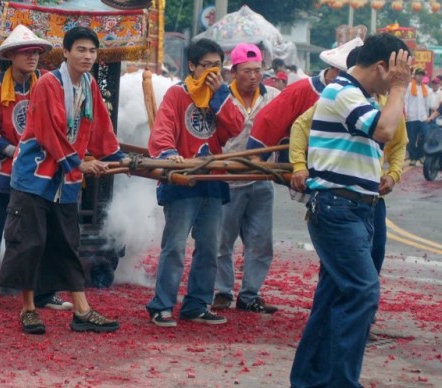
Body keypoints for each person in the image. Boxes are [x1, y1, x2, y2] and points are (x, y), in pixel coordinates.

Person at [289, 33, 412, 388]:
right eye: (397, 71)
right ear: (380, 68)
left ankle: (309, 380)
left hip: (355, 209)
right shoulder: (342, 92)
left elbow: (390, 137)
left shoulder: (361, 96)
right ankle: (341, 382)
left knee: (334, 297)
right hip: (338, 207)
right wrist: (401, 88)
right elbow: (386, 130)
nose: (399, 79)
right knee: (362, 290)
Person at [0, 26, 123, 335]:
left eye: (92, 51)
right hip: (34, 175)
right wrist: (79, 162)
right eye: (80, 49)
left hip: (65, 179)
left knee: (68, 243)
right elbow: (47, 130)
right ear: (65, 53)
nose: (87, 56)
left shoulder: (89, 85)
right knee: (31, 242)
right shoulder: (49, 84)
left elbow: (100, 126)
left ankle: (82, 311)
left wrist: (116, 158)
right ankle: (28, 310)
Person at [0, 25, 71, 311]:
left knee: (39, 236)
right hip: (1, 171)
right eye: (27, 52)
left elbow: (57, 123)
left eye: (37, 52)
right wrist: (14, 150)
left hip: (37, 173)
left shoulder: (48, 84)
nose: (33, 57)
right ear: (11, 56)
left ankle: (44, 293)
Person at [145, 38, 244, 328]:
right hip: (182, 180)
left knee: (210, 247)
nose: (213, 72)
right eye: (207, 66)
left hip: (211, 180)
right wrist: (170, 155)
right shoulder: (177, 94)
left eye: (218, 66)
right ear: (192, 66)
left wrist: (220, 94)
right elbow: (162, 132)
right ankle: (161, 305)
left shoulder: (221, 95)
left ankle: (197, 304)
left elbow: (235, 126)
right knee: (174, 246)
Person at [212, 44, 280, 315]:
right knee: (221, 241)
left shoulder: (274, 96)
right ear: (233, 72)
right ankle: (222, 292)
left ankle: (250, 294)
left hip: (262, 180)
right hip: (228, 180)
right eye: (247, 71)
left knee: (261, 242)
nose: (254, 76)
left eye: (258, 70)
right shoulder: (220, 96)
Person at [246, 37, 363, 161]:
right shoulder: (301, 90)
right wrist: (256, 155)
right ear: (336, 69)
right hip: (299, 166)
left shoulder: (365, 95)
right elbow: (269, 119)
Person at [405, 69, 428, 166]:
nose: (421, 77)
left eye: (422, 75)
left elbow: (426, 103)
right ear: (415, 76)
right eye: (419, 74)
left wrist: (427, 115)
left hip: (422, 117)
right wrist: (406, 114)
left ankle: (420, 155)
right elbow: (405, 101)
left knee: (425, 136)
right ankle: (413, 158)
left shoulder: (425, 88)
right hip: (412, 117)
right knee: (411, 139)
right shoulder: (409, 87)